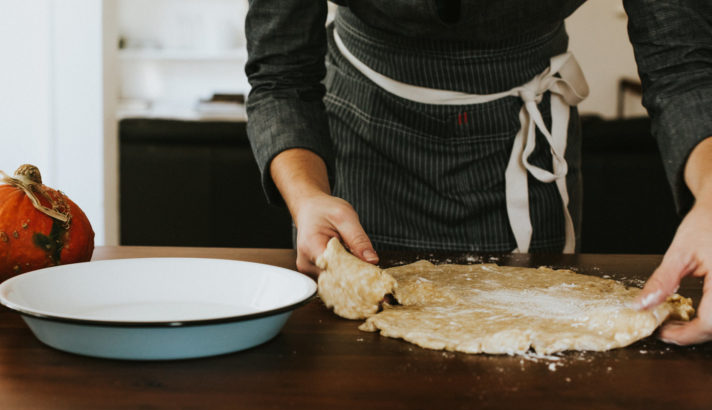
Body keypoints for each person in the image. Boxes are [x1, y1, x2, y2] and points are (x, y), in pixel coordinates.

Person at [243, 0, 712, 345]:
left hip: (523, 127)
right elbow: (281, 74)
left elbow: (684, 66)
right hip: (360, 135)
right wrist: (306, 194)